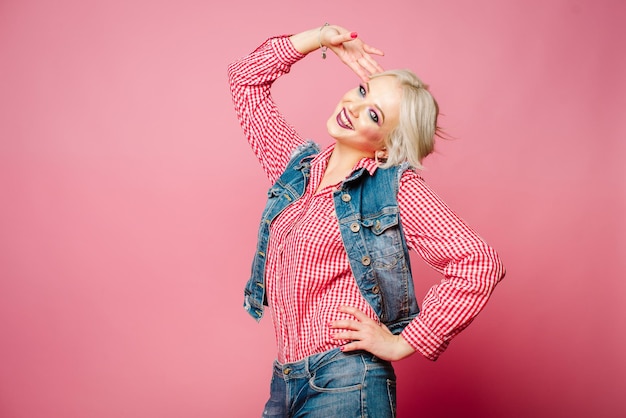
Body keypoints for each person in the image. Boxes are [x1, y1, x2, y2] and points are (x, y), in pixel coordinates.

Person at [227, 23, 505, 418]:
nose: (354, 108)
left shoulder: (392, 188)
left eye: (373, 114)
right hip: (284, 381)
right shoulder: (296, 167)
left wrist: (404, 342)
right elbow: (245, 81)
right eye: (362, 91)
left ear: (388, 142)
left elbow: (478, 263)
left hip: (346, 380)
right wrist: (320, 38)